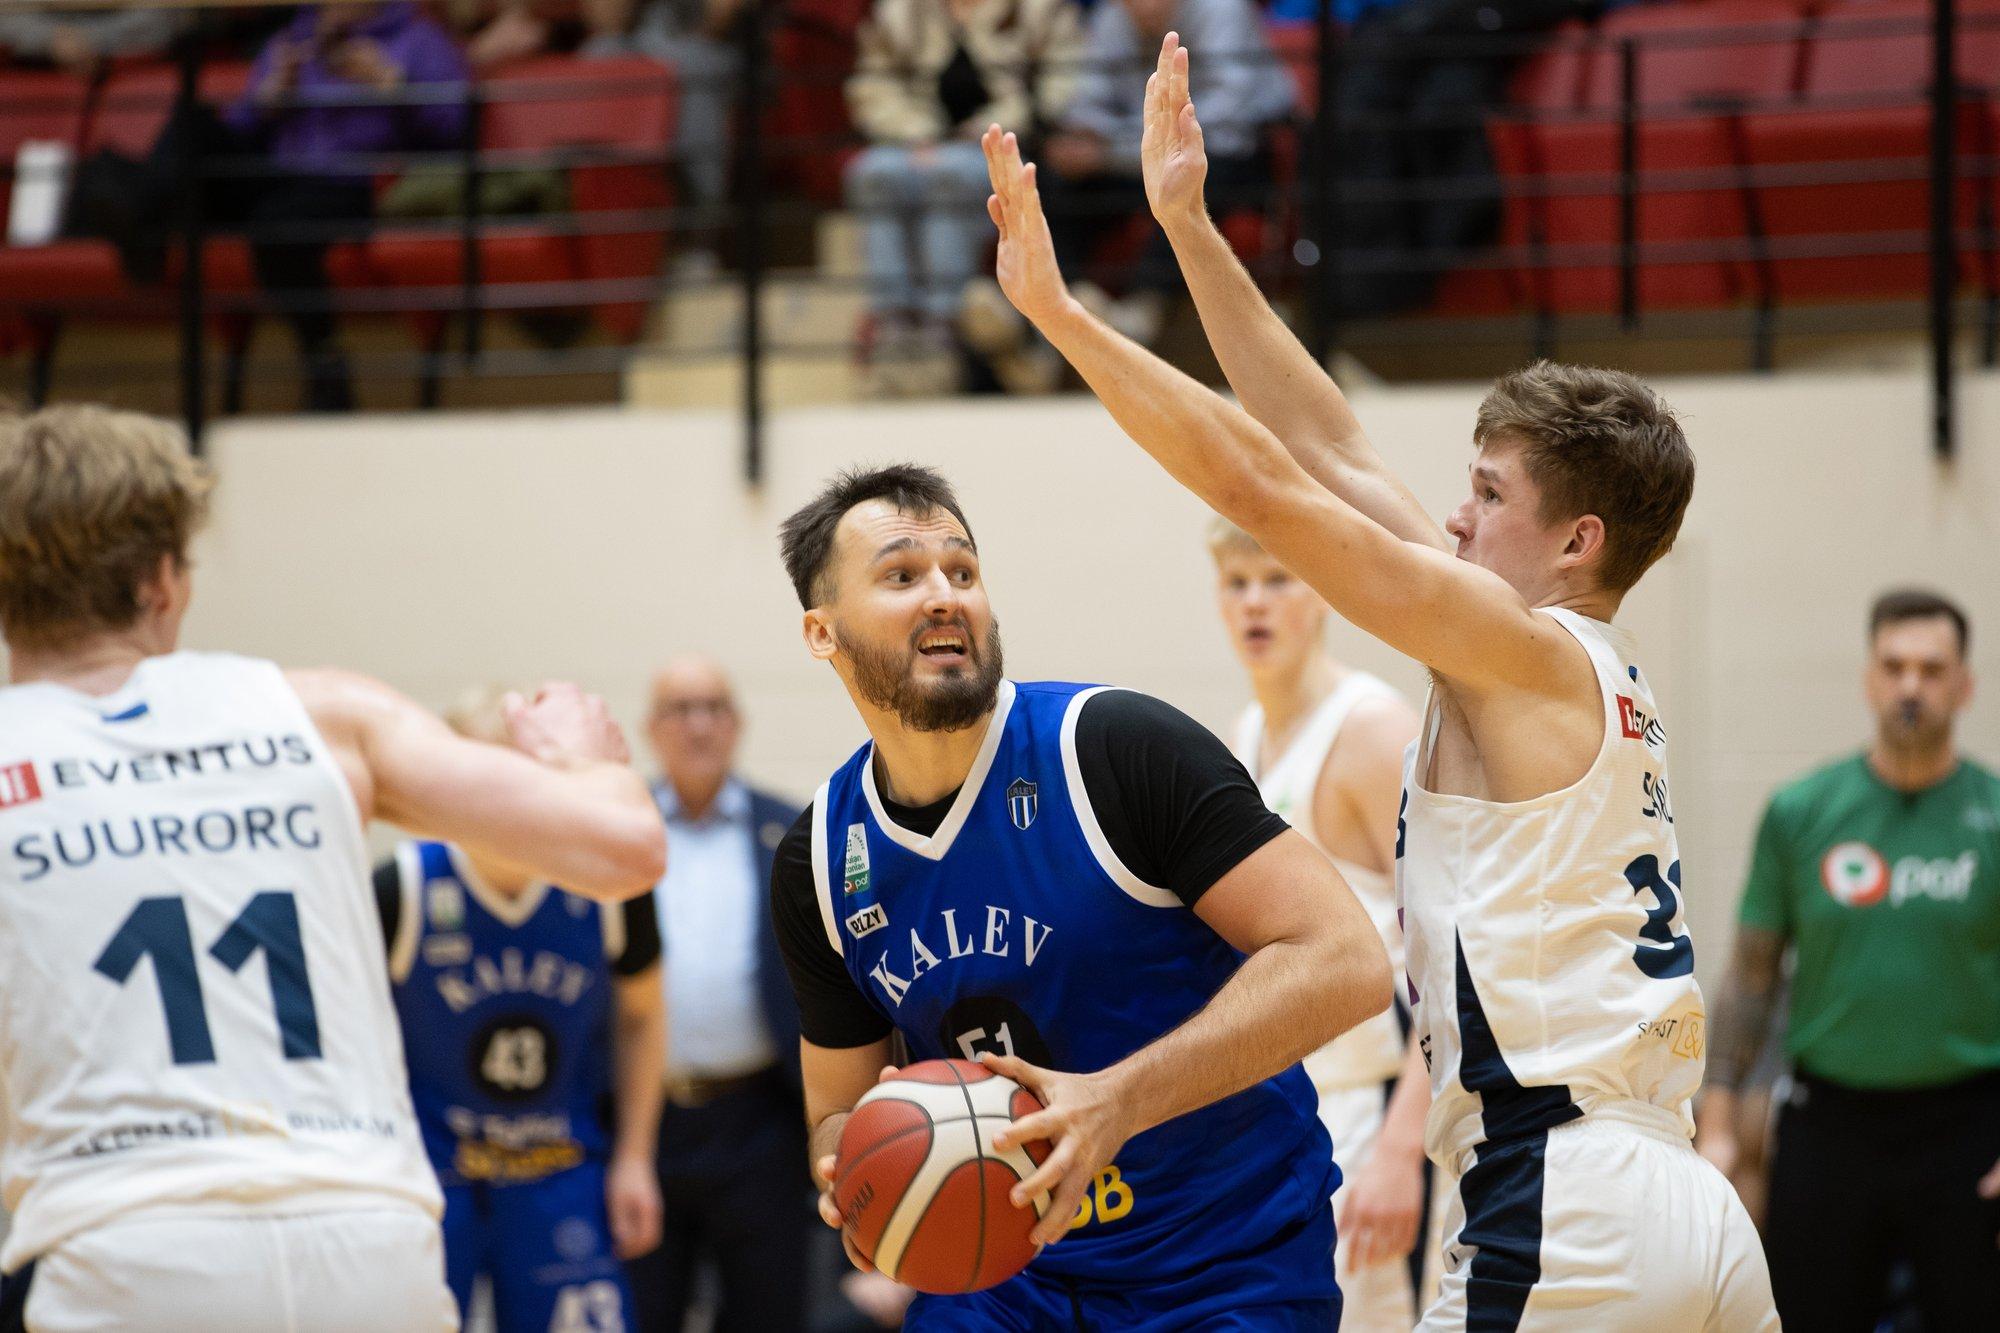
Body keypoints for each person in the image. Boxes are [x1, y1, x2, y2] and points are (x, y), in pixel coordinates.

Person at [974, 34, 1778, 1328]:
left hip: (1561, 1204)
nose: (1456, 523)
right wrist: (1187, 224)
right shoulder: (1556, 667)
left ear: (1579, 544)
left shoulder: (1522, 649)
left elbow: (1261, 488)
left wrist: (1065, 319)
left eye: (1488, 498)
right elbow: (1328, 440)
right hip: (1679, 1201)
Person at [0, 405, 663, 1328]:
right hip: (366, 1236)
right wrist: (583, 755)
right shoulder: (316, 712)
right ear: (161, 579)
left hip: (131, 1246)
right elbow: (626, 848)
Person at [769, 462, 1393, 1329]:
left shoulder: (1112, 748)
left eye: (964, 570)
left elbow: (1347, 959)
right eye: (902, 575)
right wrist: (856, 1171)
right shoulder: (822, 858)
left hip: (1220, 1261)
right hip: (1002, 1275)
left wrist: (1119, 1098)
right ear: (822, 632)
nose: (946, 595)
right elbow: (838, 1104)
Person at [1695, 589, 2000, 1332]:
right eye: (1894, 665)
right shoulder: (1803, 810)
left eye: (1931, 669)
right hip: (1830, 1126)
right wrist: (1721, 1123)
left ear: (1963, 684)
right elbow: (1752, 976)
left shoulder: (1992, 815)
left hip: (1967, 1126)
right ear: (1869, 677)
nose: (1910, 685)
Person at [375, 686, 667, 1333]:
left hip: (561, 1168)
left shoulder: (608, 881)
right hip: (429, 1178)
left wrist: (636, 1157)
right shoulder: (402, 888)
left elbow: (642, 1017)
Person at [1209, 516, 1430, 1330]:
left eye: (1278, 578)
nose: (1255, 603)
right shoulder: (1246, 735)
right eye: (1237, 583)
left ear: (1322, 592)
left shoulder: (1376, 729)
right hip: (1294, 1106)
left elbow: (1450, 955)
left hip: (1380, 1105)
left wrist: (1405, 1151)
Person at [622, 655, 815, 1333]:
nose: (698, 725)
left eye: (713, 707)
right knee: (644, 1311)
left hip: (760, 1121)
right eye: (680, 709)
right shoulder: (614, 831)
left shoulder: (791, 830)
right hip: (645, 1125)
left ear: (736, 724)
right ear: (651, 728)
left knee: (769, 1313)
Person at [962, 0, 1289, 383]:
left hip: (1231, 152)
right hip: (1139, 150)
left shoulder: (1223, 12)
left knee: (1188, 178)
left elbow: (1224, 117)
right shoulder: (1112, 17)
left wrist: (1113, 147)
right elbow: (1087, 99)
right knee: (1055, 176)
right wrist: (1084, 138)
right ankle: (1054, 313)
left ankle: (1140, 309)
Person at [225, 3, 471, 411]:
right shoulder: (290, 41)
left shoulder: (417, 39)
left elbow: (457, 127)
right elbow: (237, 130)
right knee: (194, 133)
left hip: (358, 183)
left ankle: (325, 365)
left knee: (277, 225)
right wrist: (267, 98)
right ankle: (136, 211)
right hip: (275, 178)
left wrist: (393, 85)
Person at [845, 0, 1084, 394]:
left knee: (952, 174)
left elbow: (1060, 83)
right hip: (912, 143)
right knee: (872, 173)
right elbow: (872, 86)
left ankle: (941, 327)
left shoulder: (1036, 9)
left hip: (999, 142)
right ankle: (892, 324)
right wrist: (918, 134)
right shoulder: (898, 11)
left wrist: (984, 131)